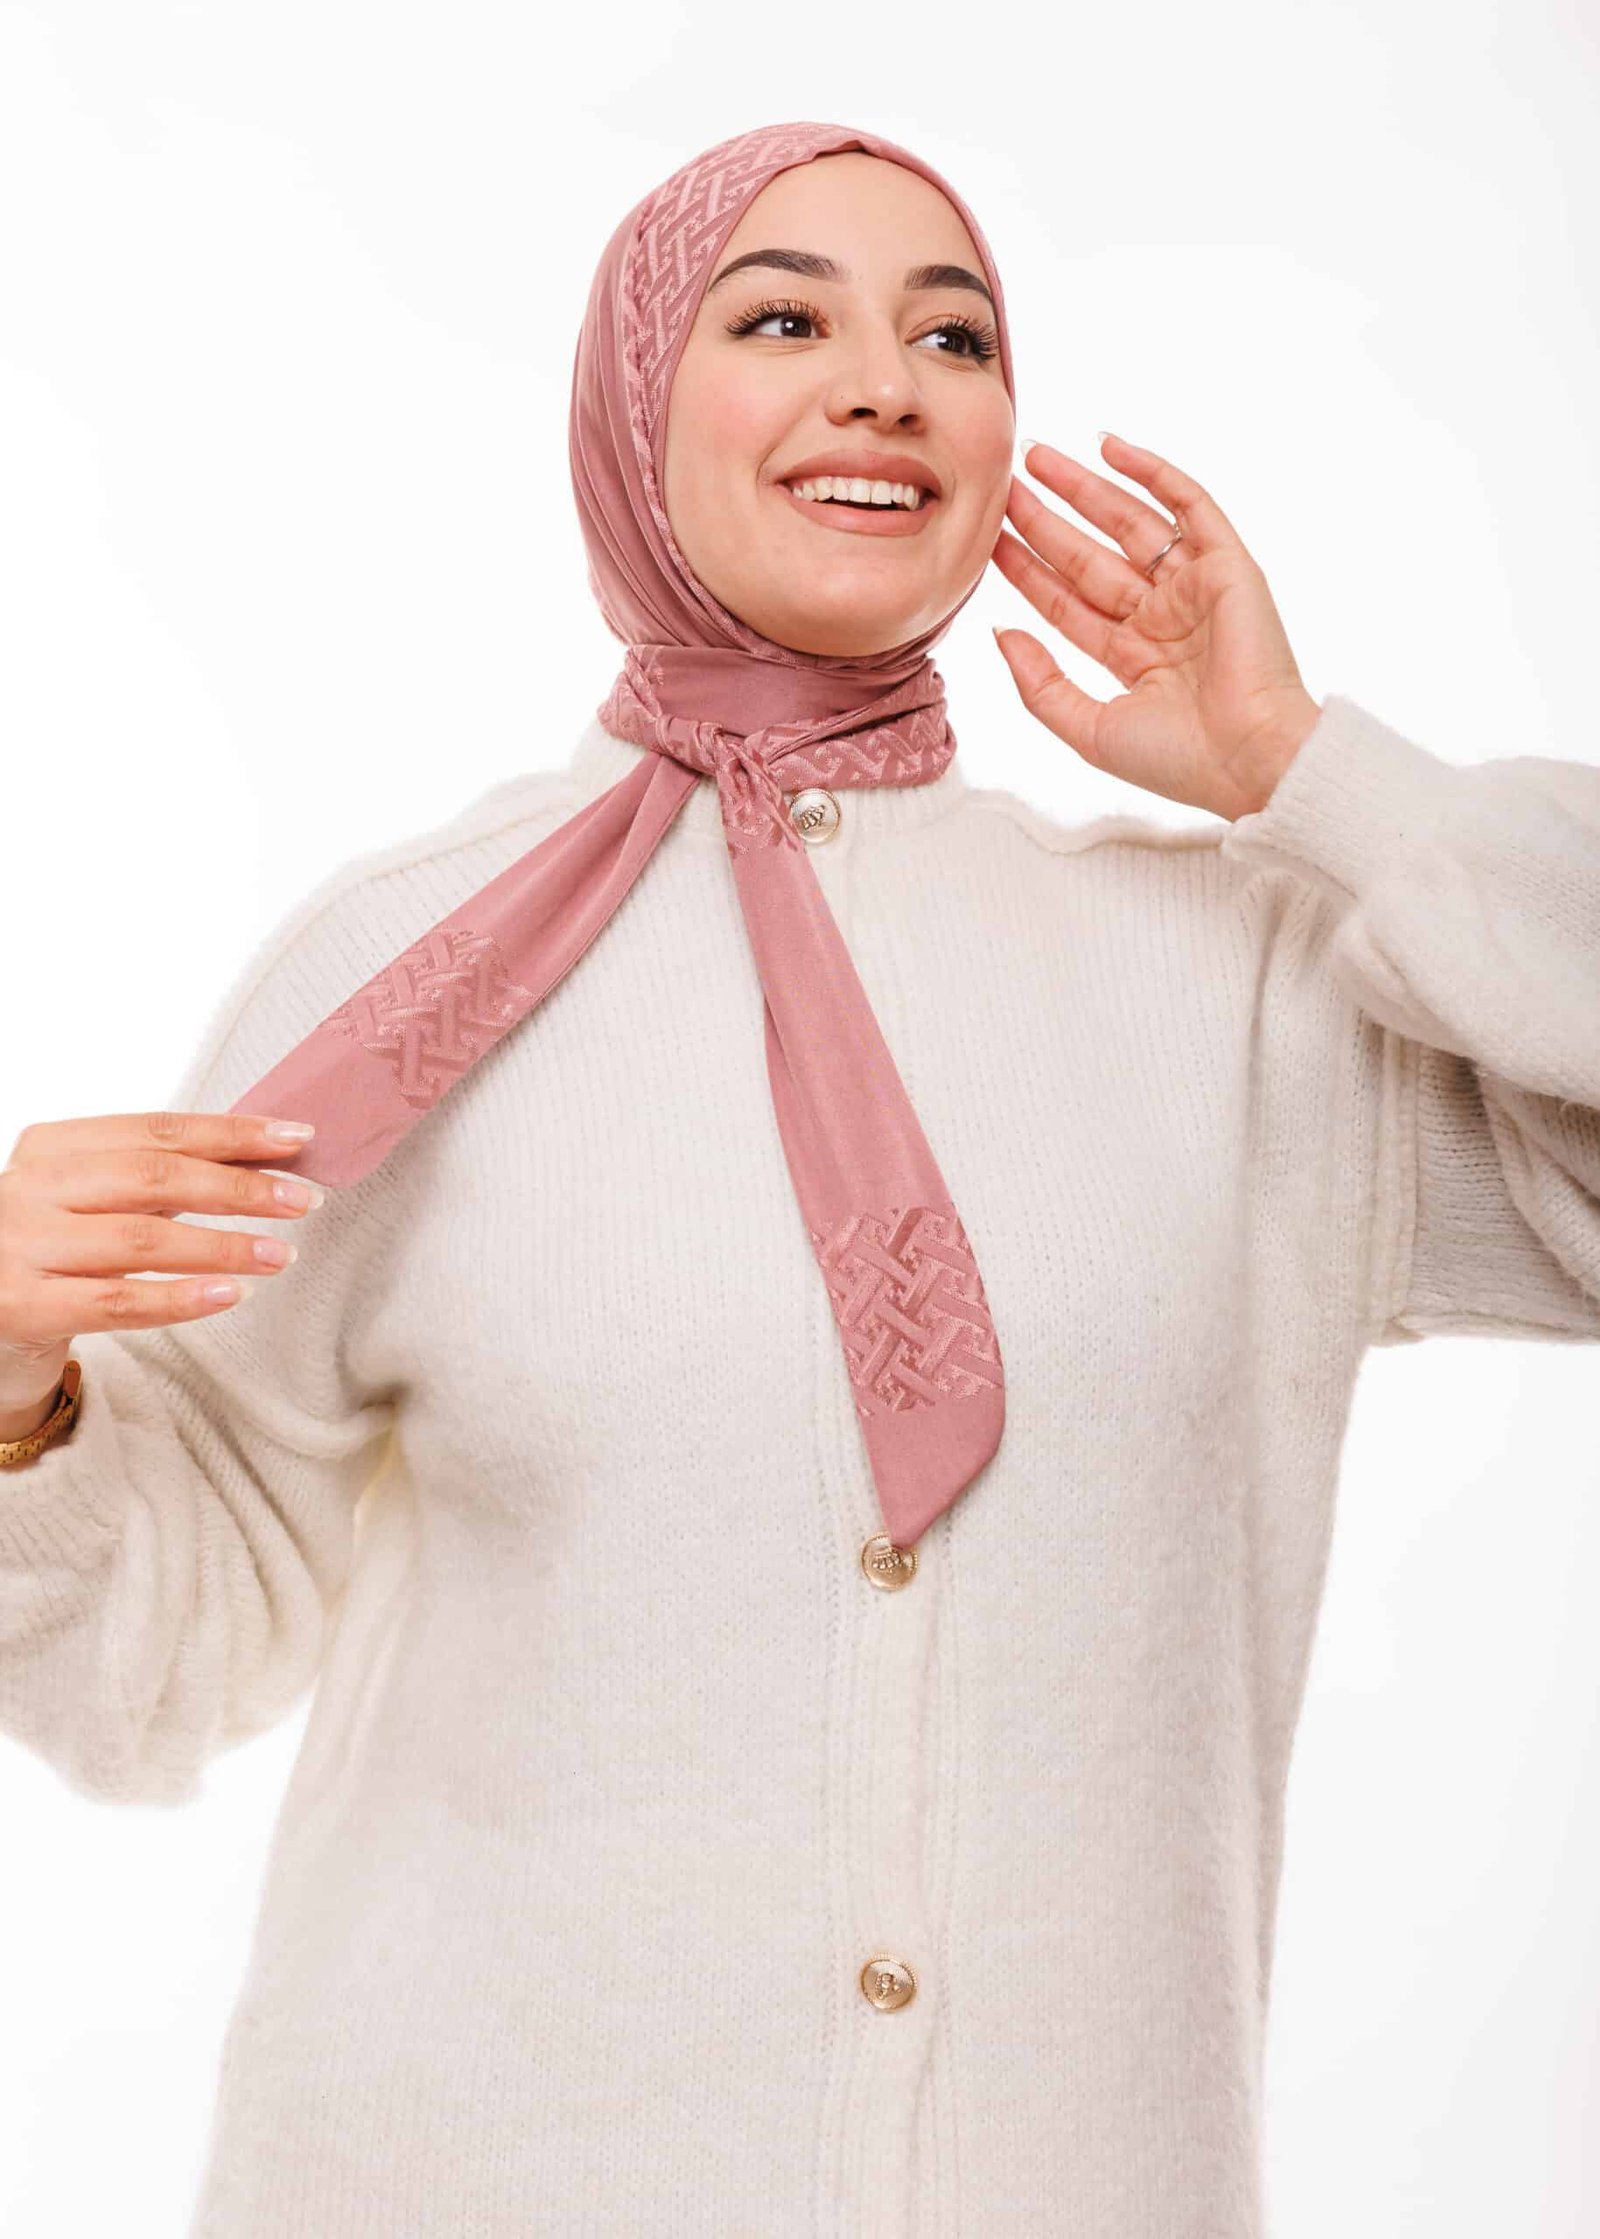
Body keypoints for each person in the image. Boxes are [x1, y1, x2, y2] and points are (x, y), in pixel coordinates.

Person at [1, 117, 1597, 2239]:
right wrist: (16, 1391)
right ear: (631, 408)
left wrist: (1306, 771)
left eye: (952, 336)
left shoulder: (1251, 984)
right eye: (779, 321)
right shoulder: (397, 973)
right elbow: (151, 1676)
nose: (882, 386)